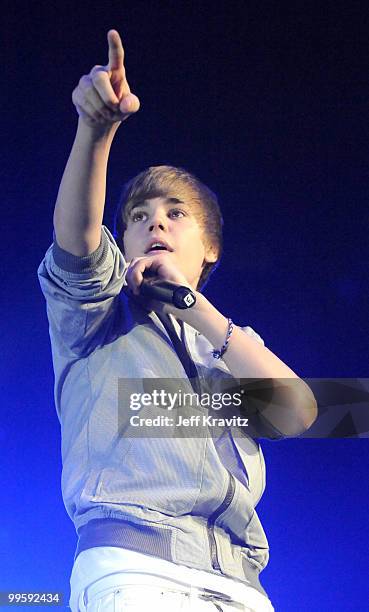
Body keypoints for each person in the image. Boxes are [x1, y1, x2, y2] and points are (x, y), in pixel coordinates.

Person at [37, 29, 317, 612]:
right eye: (139, 215)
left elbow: (300, 412)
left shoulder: (229, 345)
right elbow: (77, 239)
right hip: (135, 568)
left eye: (174, 213)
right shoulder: (99, 312)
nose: (155, 224)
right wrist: (96, 130)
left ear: (210, 247)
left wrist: (194, 307)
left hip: (242, 583)